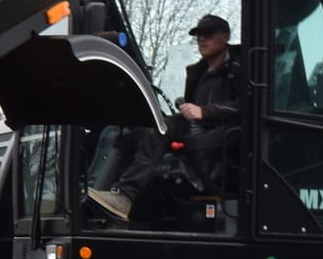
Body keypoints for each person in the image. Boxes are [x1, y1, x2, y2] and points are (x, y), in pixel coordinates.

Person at [88, 13, 244, 220]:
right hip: (196, 131)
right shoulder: (198, 72)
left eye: (208, 34)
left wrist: (204, 111)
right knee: (141, 130)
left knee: (160, 132)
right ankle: (106, 192)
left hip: (222, 141)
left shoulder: (240, 68)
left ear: (225, 36)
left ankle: (126, 195)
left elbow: (247, 106)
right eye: (198, 35)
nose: (202, 39)